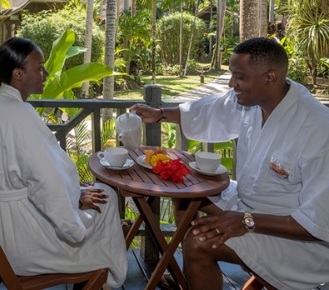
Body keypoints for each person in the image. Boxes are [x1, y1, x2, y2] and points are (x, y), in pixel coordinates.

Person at [131, 37, 329, 290]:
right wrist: (159, 114)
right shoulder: (252, 101)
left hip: (299, 240)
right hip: (247, 204)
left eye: (240, 77)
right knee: (185, 190)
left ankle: (197, 267)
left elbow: (319, 221)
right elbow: (209, 110)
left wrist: (246, 220)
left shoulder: (318, 128)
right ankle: (194, 278)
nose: (231, 83)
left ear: (270, 78)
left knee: (199, 242)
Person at [0, 37, 128, 287]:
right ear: (18, 73)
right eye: (40, 67)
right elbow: (47, 181)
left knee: (95, 193)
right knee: (106, 197)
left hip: (1, 234)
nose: (46, 73)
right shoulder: (18, 115)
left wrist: (75, 193)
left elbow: (37, 177)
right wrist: (76, 201)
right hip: (23, 244)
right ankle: (104, 276)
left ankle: (99, 268)